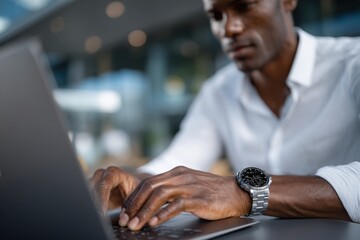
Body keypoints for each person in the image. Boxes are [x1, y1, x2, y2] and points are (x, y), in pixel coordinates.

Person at [90, 0, 360, 231]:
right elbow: (178, 158)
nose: (228, 29)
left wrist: (243, 193)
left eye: (244, 6)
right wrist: (139, 186)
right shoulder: (218, 91)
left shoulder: (352, 63)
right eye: (216, 16)